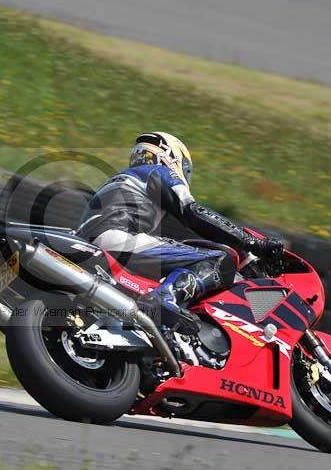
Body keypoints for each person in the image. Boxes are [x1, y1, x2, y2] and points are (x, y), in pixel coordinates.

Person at [77, 132, 283, 329]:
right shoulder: (158, 172)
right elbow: (193, 212)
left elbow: (188, 237)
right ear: (171, 158)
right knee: (222, 258)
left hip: (91, 243)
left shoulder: (123, 180)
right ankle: (165, 297)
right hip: (120, 238)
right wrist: (252, 242)